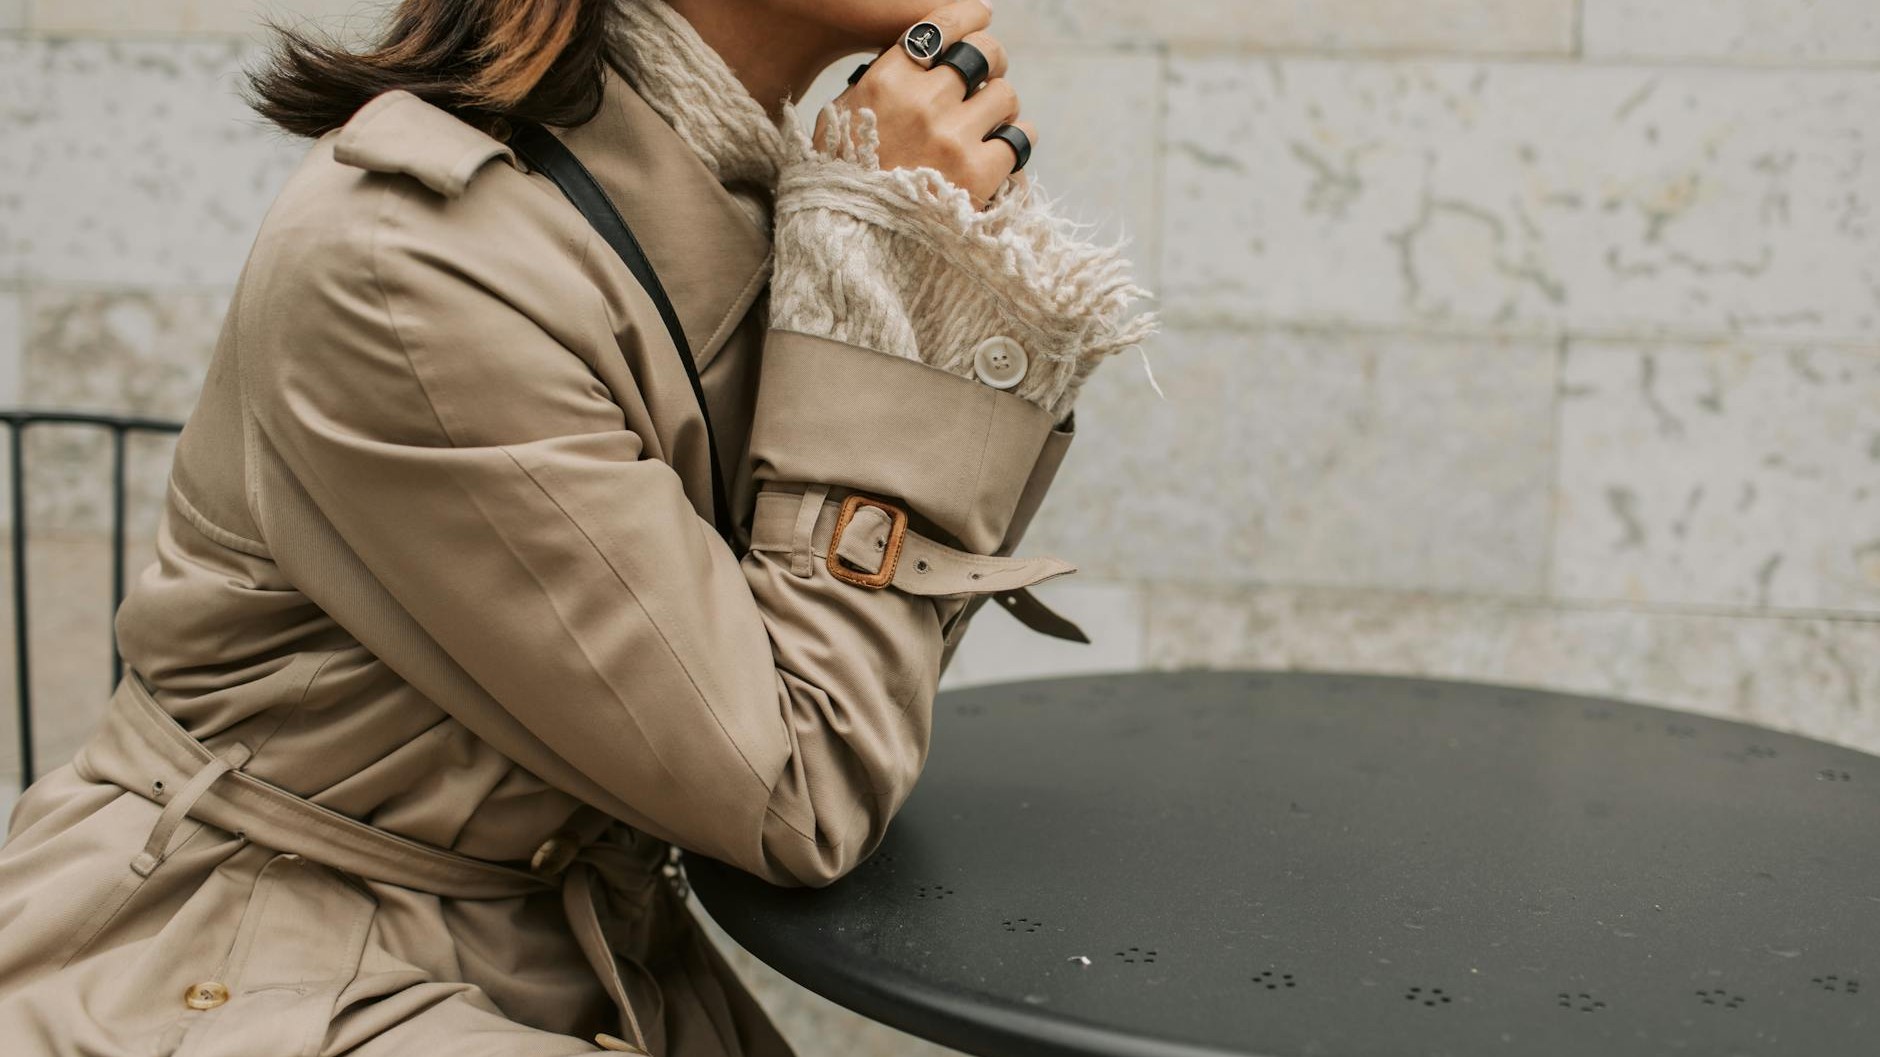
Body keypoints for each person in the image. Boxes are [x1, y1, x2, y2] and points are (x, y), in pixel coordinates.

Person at [0, 0, 1156, 1053]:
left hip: (569, 937)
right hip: (254, 957)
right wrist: (888, 272)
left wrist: (876, 248)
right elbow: (799, 783)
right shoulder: (416, 262)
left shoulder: (737, 199)